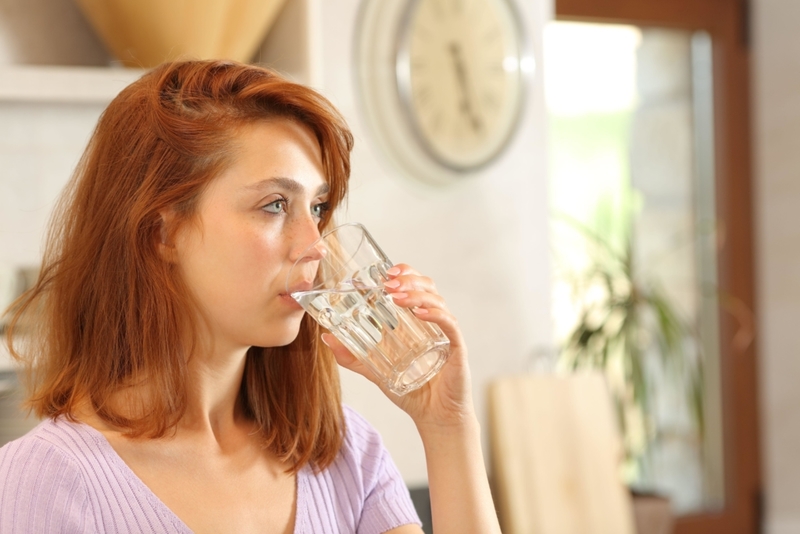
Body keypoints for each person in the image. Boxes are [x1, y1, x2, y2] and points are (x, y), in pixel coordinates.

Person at [0, 60, 501, 534]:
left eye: (319, 206)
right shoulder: (47, 480)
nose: (315, 244)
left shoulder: (347, 454)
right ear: (163, 234)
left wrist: (447, 427)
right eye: (275, 204)